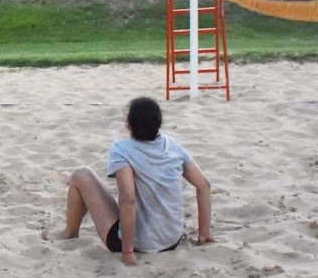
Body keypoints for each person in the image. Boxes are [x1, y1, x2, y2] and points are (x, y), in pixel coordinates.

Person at [42, 97, 213, 266]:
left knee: (81, 174)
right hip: (172, 239)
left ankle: (70, 232)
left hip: (141, 244)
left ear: (129, 125)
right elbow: (203, 185)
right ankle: (204, 234)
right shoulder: (173, 145)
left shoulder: (122, 149)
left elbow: (128, 199)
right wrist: (204, 232)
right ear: (158, 123)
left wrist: (128, 251)